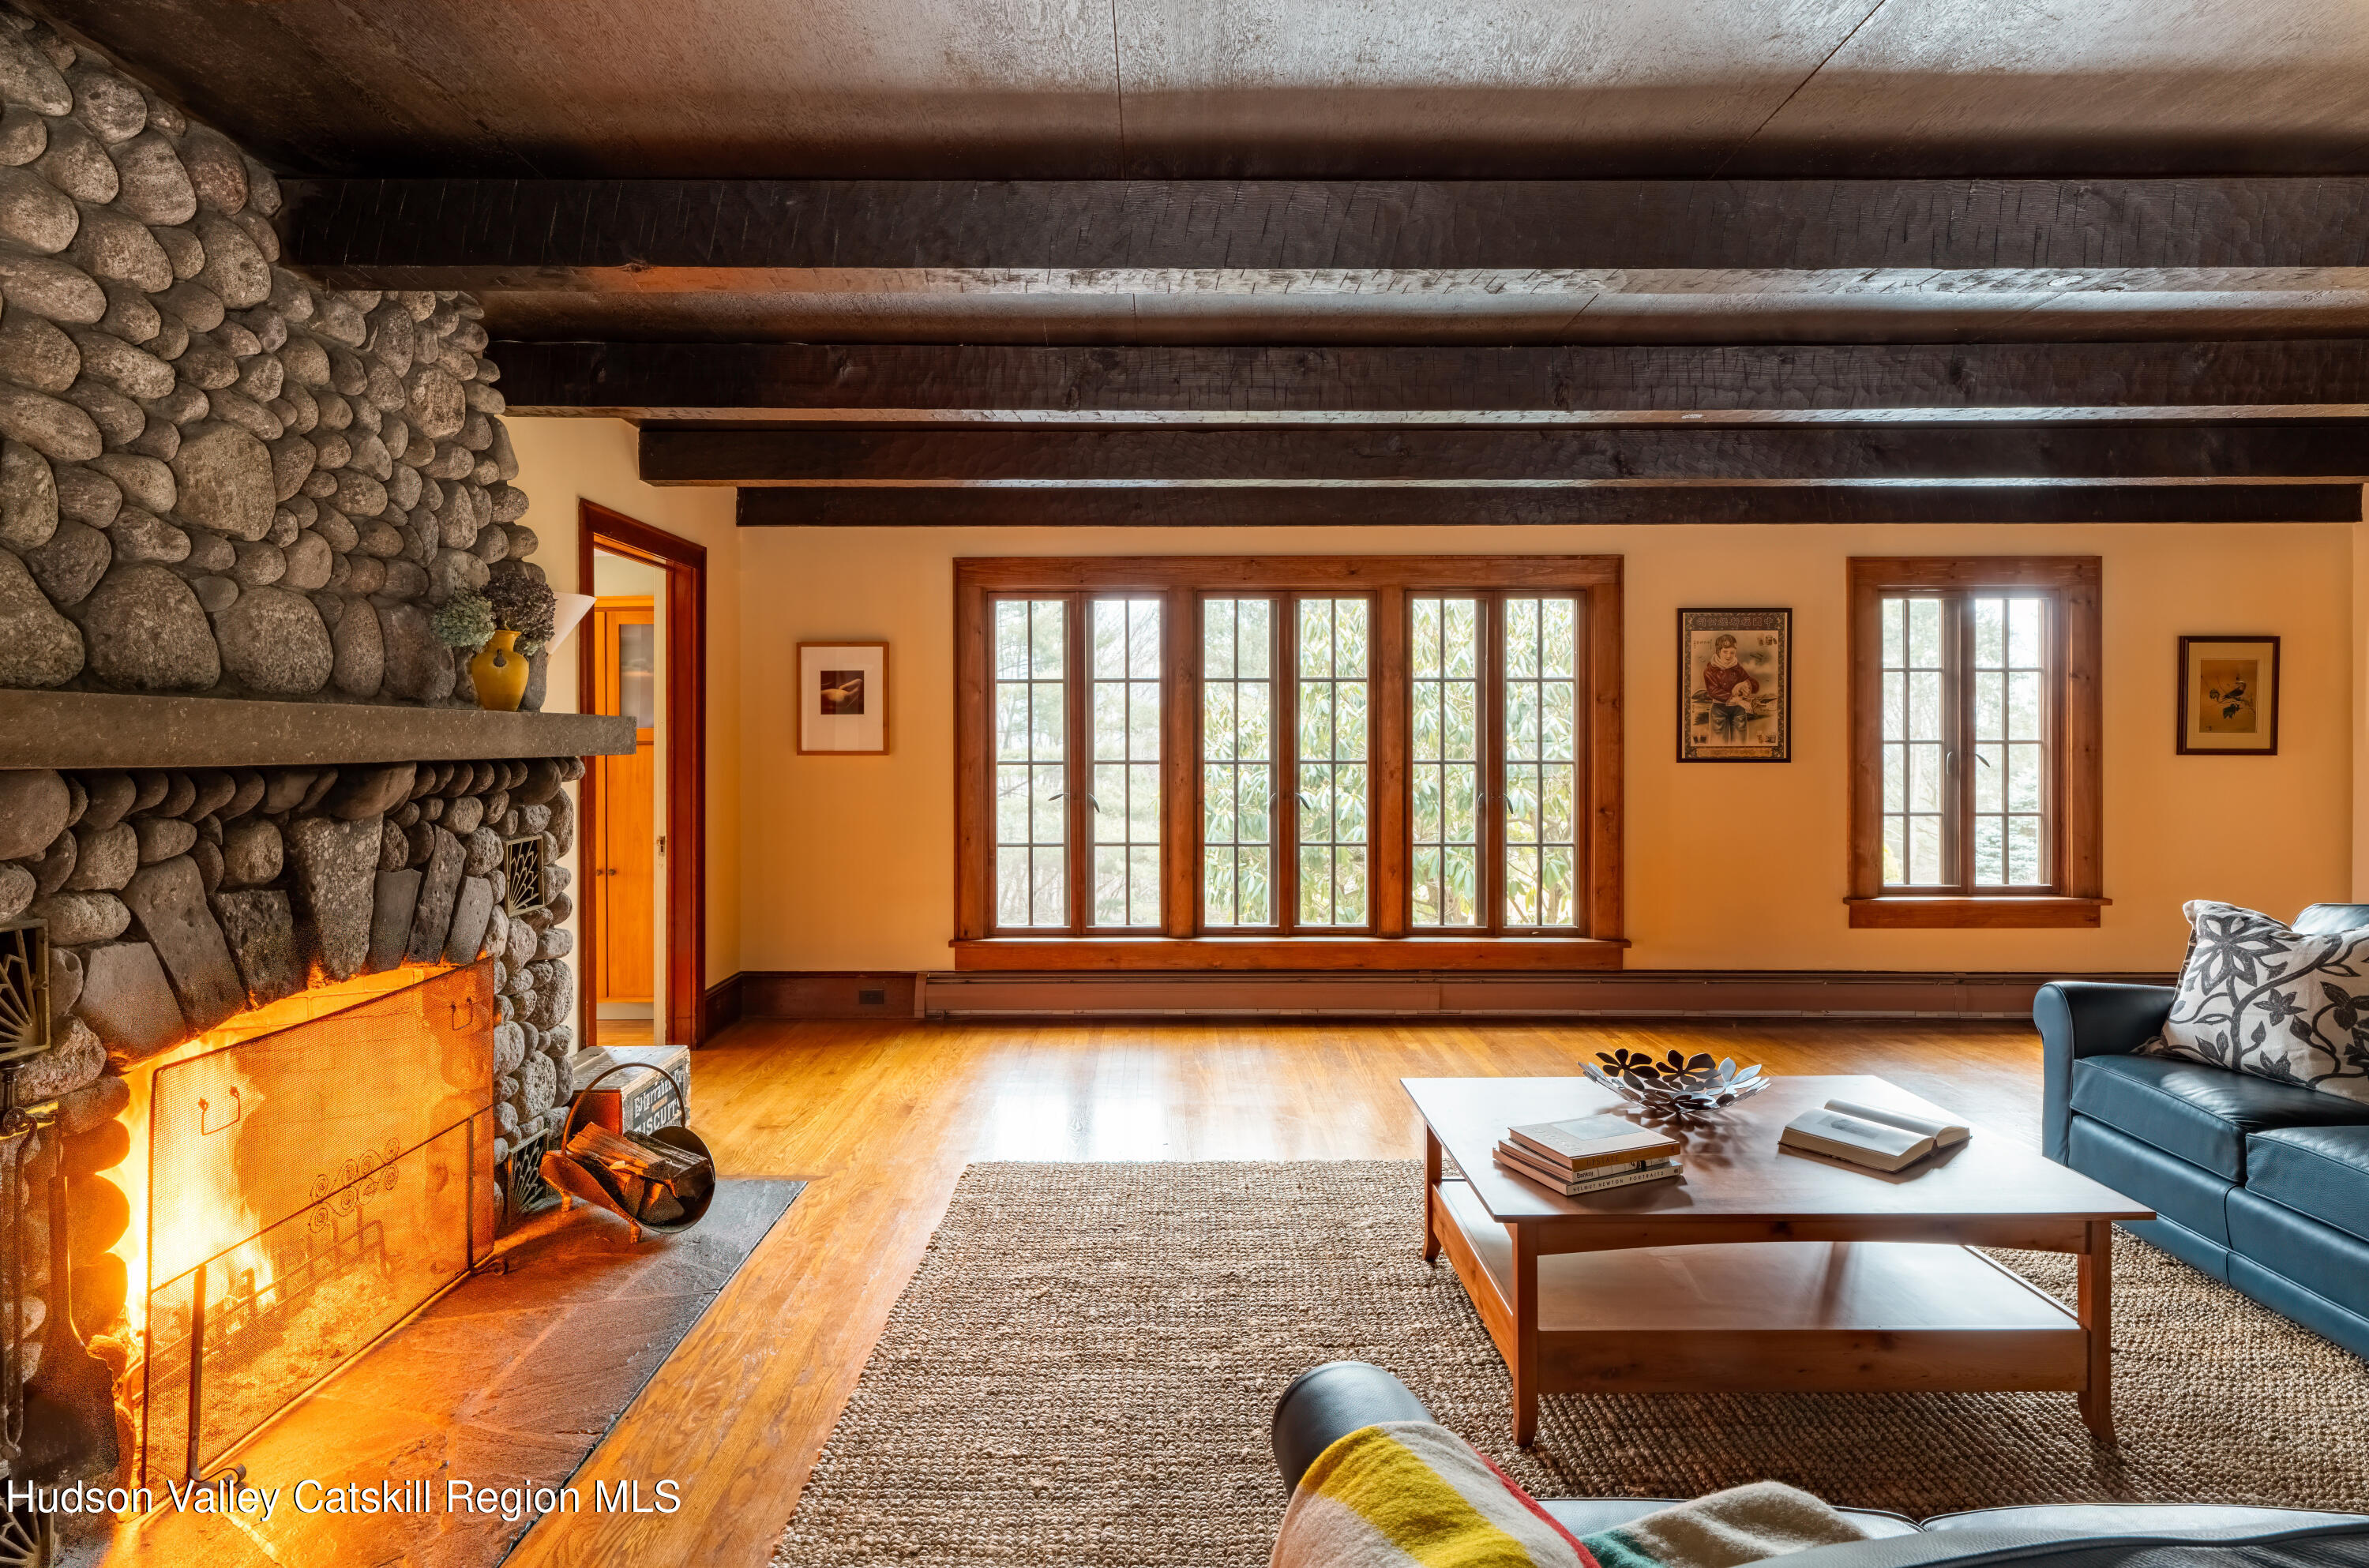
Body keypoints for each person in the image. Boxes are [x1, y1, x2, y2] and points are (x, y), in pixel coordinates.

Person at [1700, 632, 1762, 743]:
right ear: (1718, 651)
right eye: (1725, 652)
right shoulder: (1710, 670)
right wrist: (1737, 700)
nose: (1729, 656)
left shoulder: (1737, 668)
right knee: (1718, 744)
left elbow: (1755, 685)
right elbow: (1714, 691)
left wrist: (1744, 684)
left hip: (1738, 710)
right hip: (1719, 710)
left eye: (1732, 652)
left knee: (1740, 744)